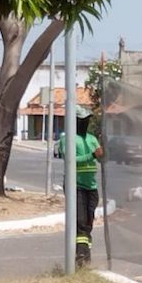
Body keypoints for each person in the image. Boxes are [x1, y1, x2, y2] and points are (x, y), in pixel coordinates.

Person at [58, 105, 103, 267]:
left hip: (91, 187)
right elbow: (70, 160)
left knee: (88, 223)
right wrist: (91, 155)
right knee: (81, 222)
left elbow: (100, 159)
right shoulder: (67, 139)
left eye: (88, 120)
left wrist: (102, 154)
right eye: (82, 121)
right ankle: (80, 258)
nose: (86, 123)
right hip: (75, 186)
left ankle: (86, 256)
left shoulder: (92, 139)